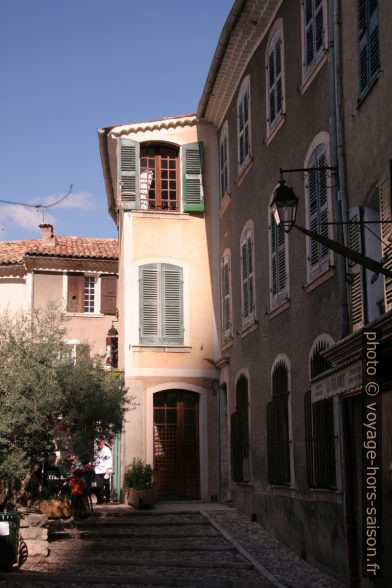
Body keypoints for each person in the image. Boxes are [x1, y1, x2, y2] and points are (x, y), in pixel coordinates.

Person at [94, 438, 112, 504]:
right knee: (99, 486)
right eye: (98, 443)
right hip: (98, 470)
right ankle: (100, 500)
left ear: (103, 443)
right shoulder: (97, 450)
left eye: (101, 442)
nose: (100, 444)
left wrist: (108, 469)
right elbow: (96, 460)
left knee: (106, 485)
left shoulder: (107, 450)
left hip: (105, 470)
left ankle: (107, 499)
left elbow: (109, 460)